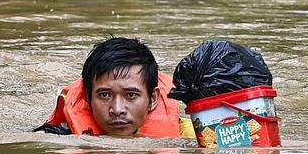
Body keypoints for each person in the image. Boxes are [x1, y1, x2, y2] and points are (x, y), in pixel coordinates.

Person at [35, 37, 193, 137]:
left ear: (153, 99)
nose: (117, 109)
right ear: (88, 98)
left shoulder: (190, 136)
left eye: (131, 95)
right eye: (104, 95)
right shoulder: (58, 135)